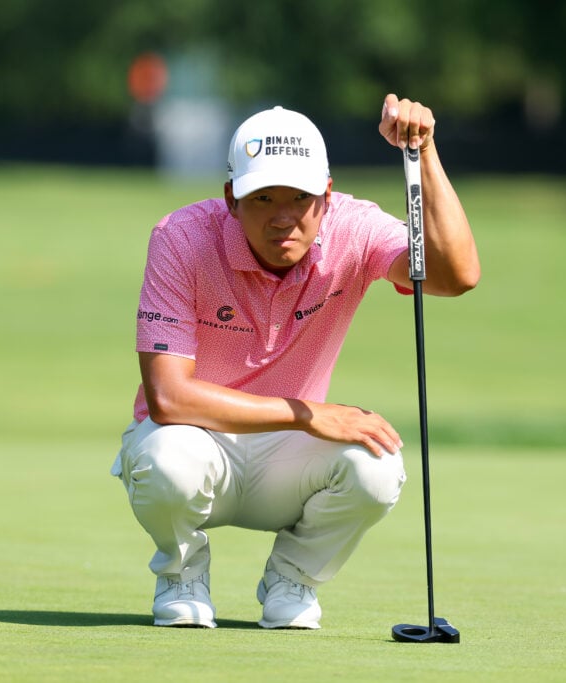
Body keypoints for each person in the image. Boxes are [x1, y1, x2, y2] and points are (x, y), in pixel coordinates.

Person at [112, 93, 480, 630]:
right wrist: (308, 412)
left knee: (376, 464)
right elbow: (169, 399)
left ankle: (292, 580)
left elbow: (456, 275)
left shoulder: (354, 228)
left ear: (326, 197)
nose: (283, 218)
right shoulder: (181, 239)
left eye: (301, 198)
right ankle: (182, 576)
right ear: (231, 199)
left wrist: (422, 153)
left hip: (287, 461)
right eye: (262, 199)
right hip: (194, 440)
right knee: (168, 458)